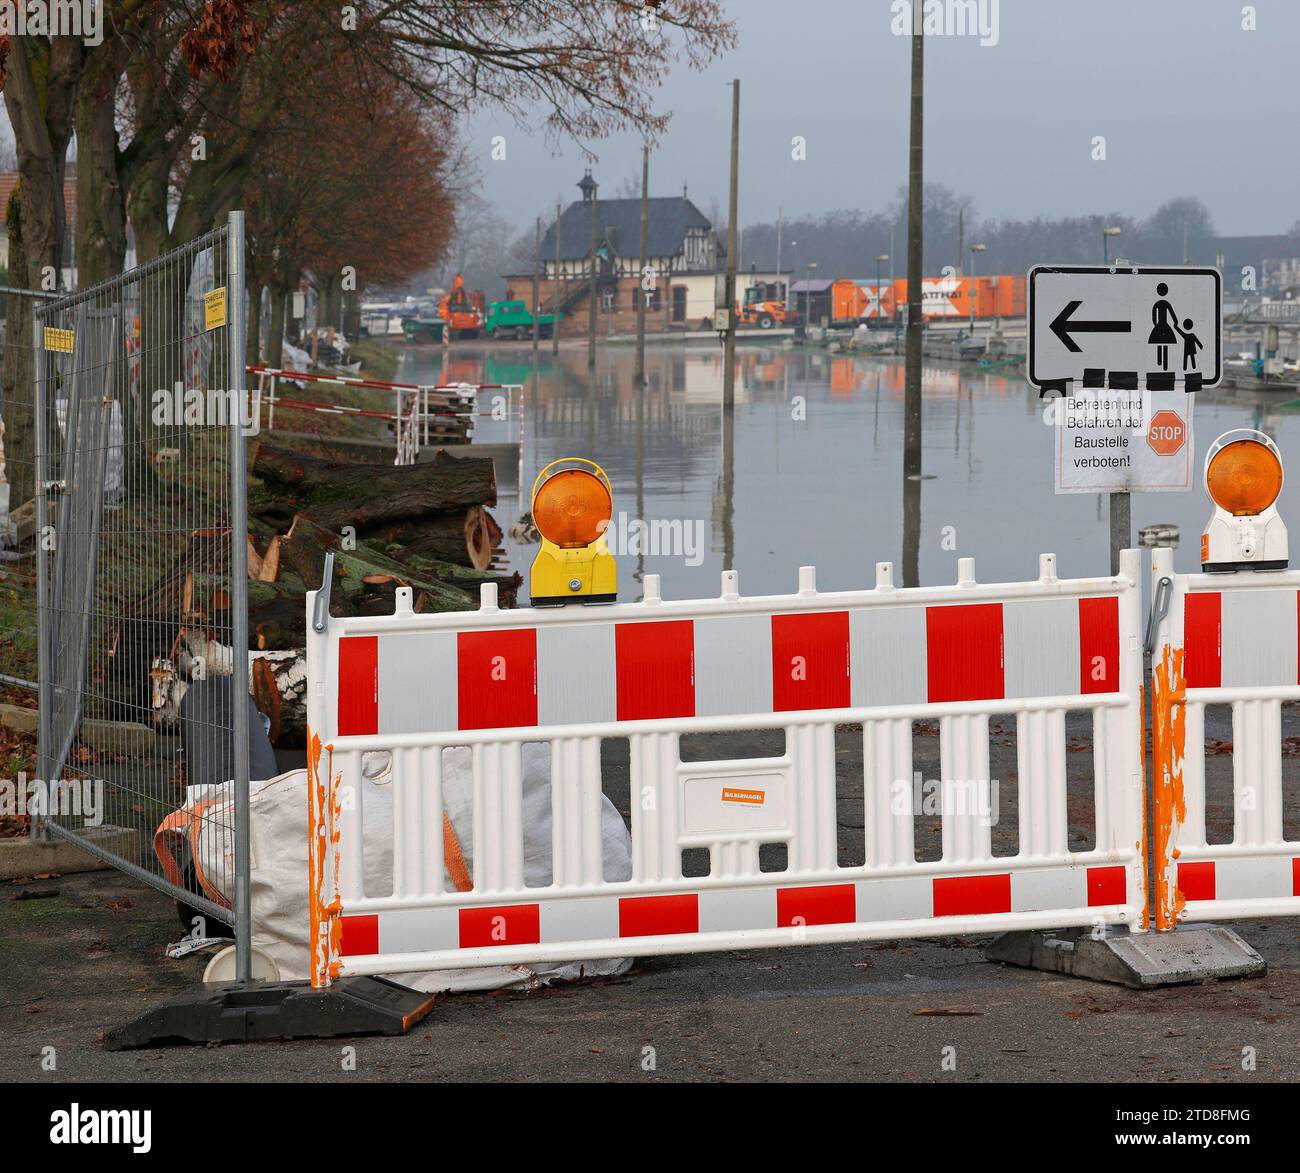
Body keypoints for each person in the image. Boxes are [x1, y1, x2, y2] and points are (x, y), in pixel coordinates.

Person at [1149, 283, 1179, 370]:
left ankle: (1160, 363)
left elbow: (1153, 316)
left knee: (1159, 342)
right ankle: (1163, 365)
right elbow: (1172, 314)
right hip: (1164, 325)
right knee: (1165, 343)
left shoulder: (1157, 304)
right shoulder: (1166, 303)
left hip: (1159, 325)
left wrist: (1156, 325)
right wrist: (1175, 322)